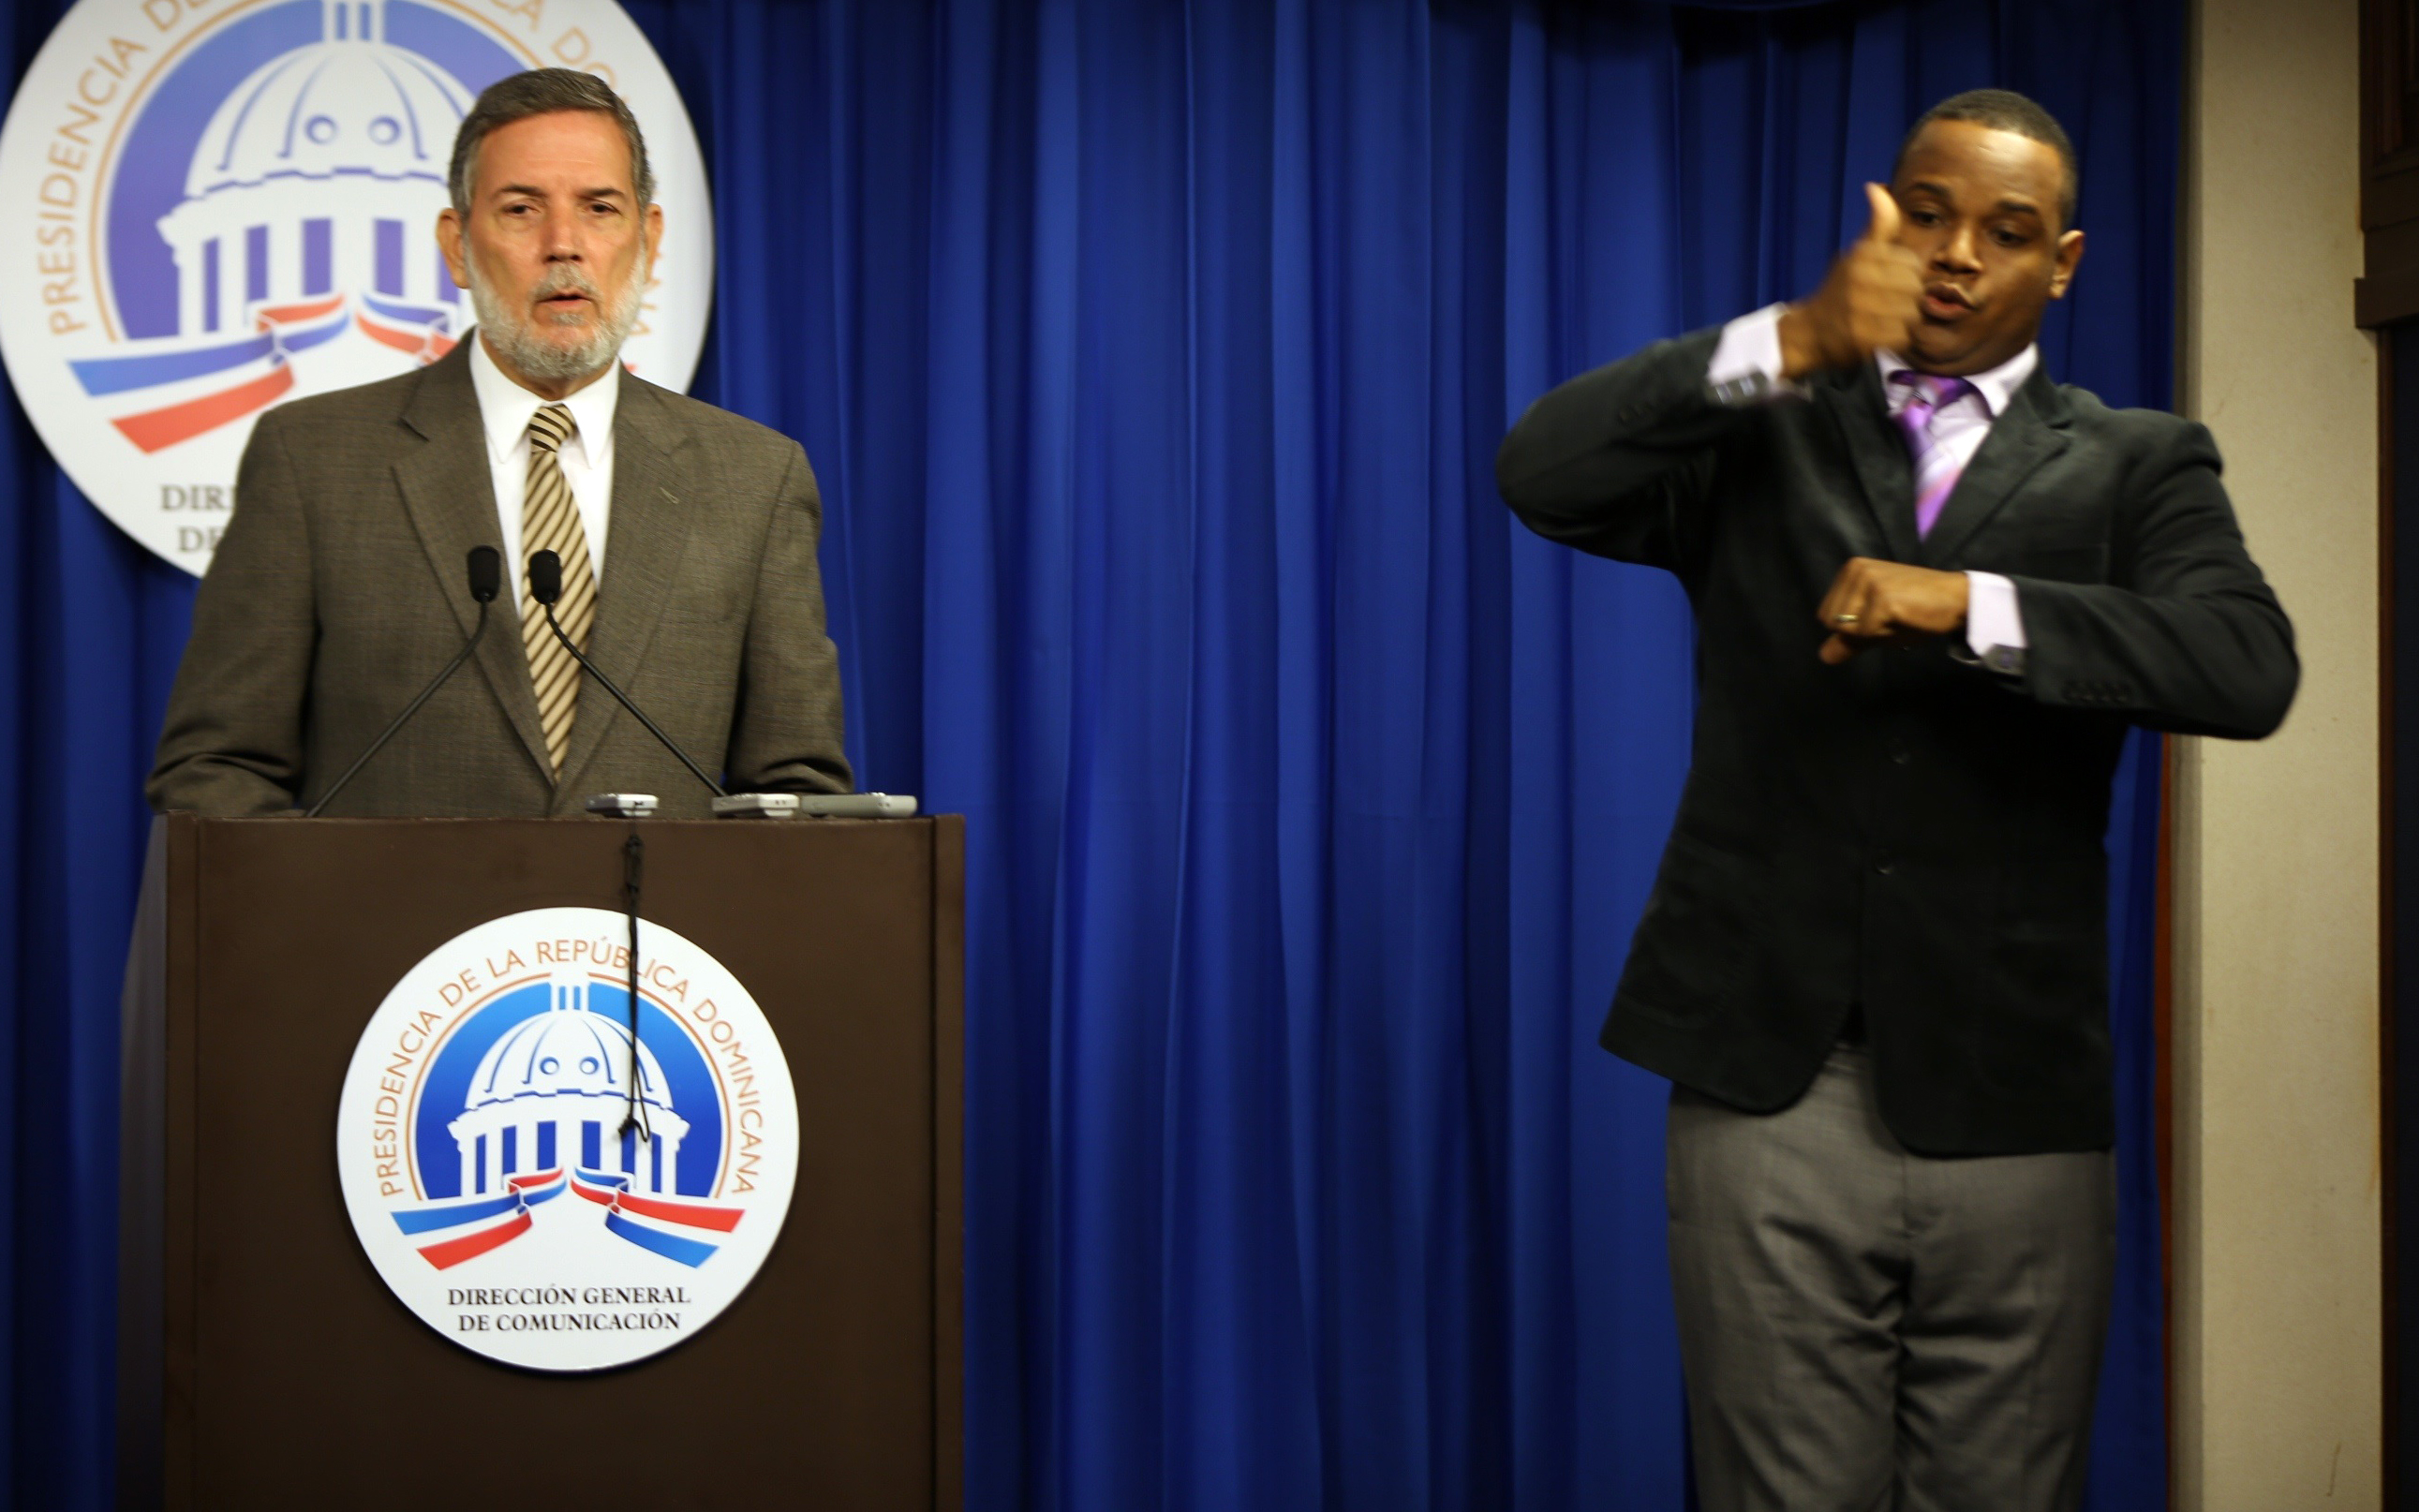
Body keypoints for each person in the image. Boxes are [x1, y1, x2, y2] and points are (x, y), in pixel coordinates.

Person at [1496, 90, 2295, 1511]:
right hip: (1764, 1076)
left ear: (2062, 263)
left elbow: (2244, 668)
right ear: (1883, 217)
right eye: (1926, 216)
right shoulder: (1764, 432)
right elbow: (1540, 473)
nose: (1955, 256)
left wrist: (1966, 602)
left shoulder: (2138, 461)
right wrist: (1790, 339)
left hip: (2014, 1095)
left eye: (2006, 232)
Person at [149, 68, 849, 818]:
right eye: (521, 209)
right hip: (395, 900)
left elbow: (797, 792)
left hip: (657, 900)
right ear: (457, 246)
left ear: (648, 239)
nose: (563, 245)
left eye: (599, 208)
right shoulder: (312, 462)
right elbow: (217, 772)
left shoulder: (755, 480)